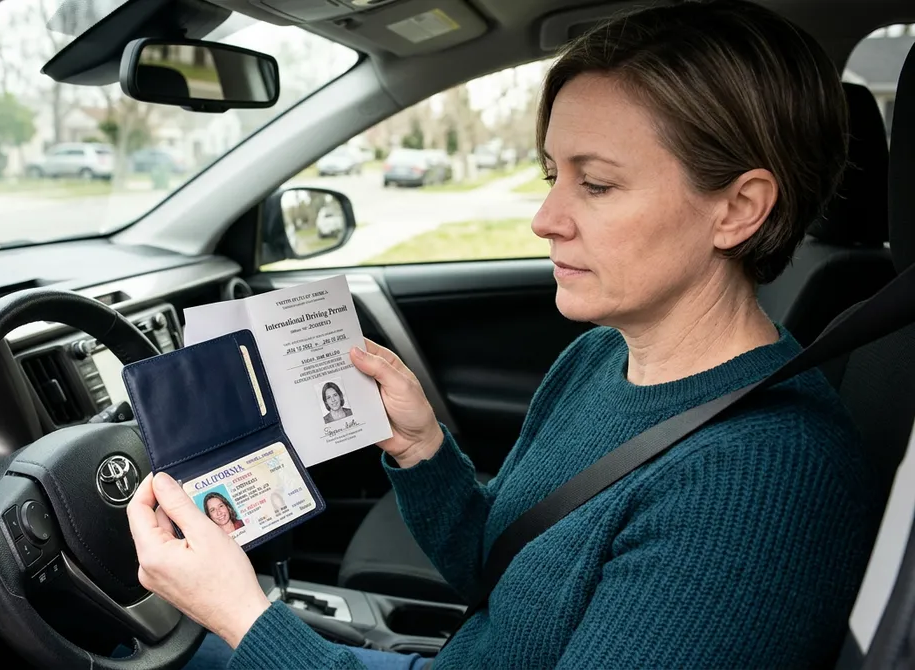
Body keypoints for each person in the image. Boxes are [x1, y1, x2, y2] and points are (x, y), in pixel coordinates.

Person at [126, 1, 882, 667]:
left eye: (596, 183)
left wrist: (244, 618)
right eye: (551, 173)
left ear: (738, 209)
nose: (546, 218)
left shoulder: (755, 486)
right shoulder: (600, 356)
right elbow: (499, 580)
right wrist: (421, 453)